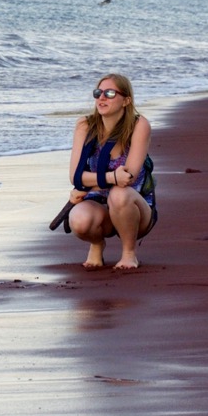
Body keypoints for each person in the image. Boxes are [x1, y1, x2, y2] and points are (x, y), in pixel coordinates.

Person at [65, 73, 156, 270]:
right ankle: (97, 244)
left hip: (136, 210)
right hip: (98, 205)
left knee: (119, 194)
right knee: (79, 220)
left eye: (110, 93)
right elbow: (75, 176)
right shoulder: (85, 125)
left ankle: (129, 253)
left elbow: (127, 179)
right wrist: (110, 177)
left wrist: (88, 184)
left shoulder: (139, 125)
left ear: (126, 100)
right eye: (98, 93)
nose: (101, 98)